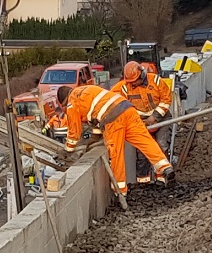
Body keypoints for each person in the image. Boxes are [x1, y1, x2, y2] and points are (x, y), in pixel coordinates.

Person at [62, 79, 174, 207]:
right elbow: (97, 114)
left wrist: (68, 150)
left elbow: (74, 131)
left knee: (116, 155)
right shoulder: (88, 89)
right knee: (145, 141)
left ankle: (120, 192)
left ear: (64, 101)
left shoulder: (72, 102)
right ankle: (165, 167)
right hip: (128, 109)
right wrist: (94, 138)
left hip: (113, 119)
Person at [110, 61, 176, 183]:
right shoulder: (124, 86)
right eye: (130, 82)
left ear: (142, 75)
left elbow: (166, 99)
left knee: (161, 146)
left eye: (134, 81)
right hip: (141, 123)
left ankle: (161, 179)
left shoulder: (155, 80)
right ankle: (143, 182)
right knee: (142, 153)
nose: (132, 84)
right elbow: (113, 99)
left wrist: (154, 117)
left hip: (161, 118)